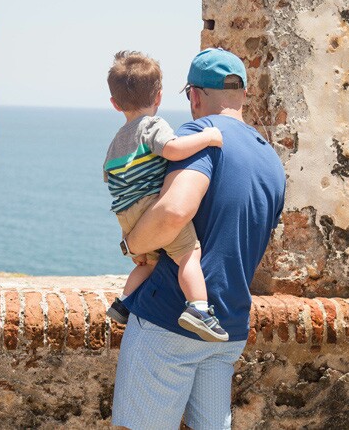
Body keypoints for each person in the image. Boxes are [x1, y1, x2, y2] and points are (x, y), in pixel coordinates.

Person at [112, 48, 286, 429]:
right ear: (242, 93)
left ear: (194, 95)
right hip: (228, 326)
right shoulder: (271, 161)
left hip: (171, 321)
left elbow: (175, 210)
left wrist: (133, 245)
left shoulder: (200, 135)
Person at [103, 50, 229, 342]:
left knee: (149, 262)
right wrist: (208, 137)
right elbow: (172, 149)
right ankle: (199, 309)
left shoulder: (115, 142)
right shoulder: (152, 125)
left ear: (114, 104)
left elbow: (109, 178)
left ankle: (123, 302)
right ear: (158, 97)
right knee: (189, 255)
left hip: (125, 214)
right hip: (151, 205)